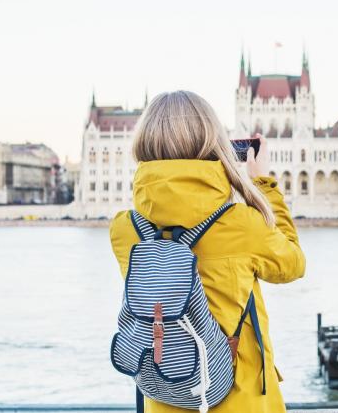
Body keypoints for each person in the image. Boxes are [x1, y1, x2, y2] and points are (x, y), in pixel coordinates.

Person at [109, 90, 306, 413]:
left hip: (164, 395)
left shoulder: (124, 230)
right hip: (240, 401)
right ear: (213, 142)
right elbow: (293, 264)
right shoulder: (242, 224)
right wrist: (264, 185)